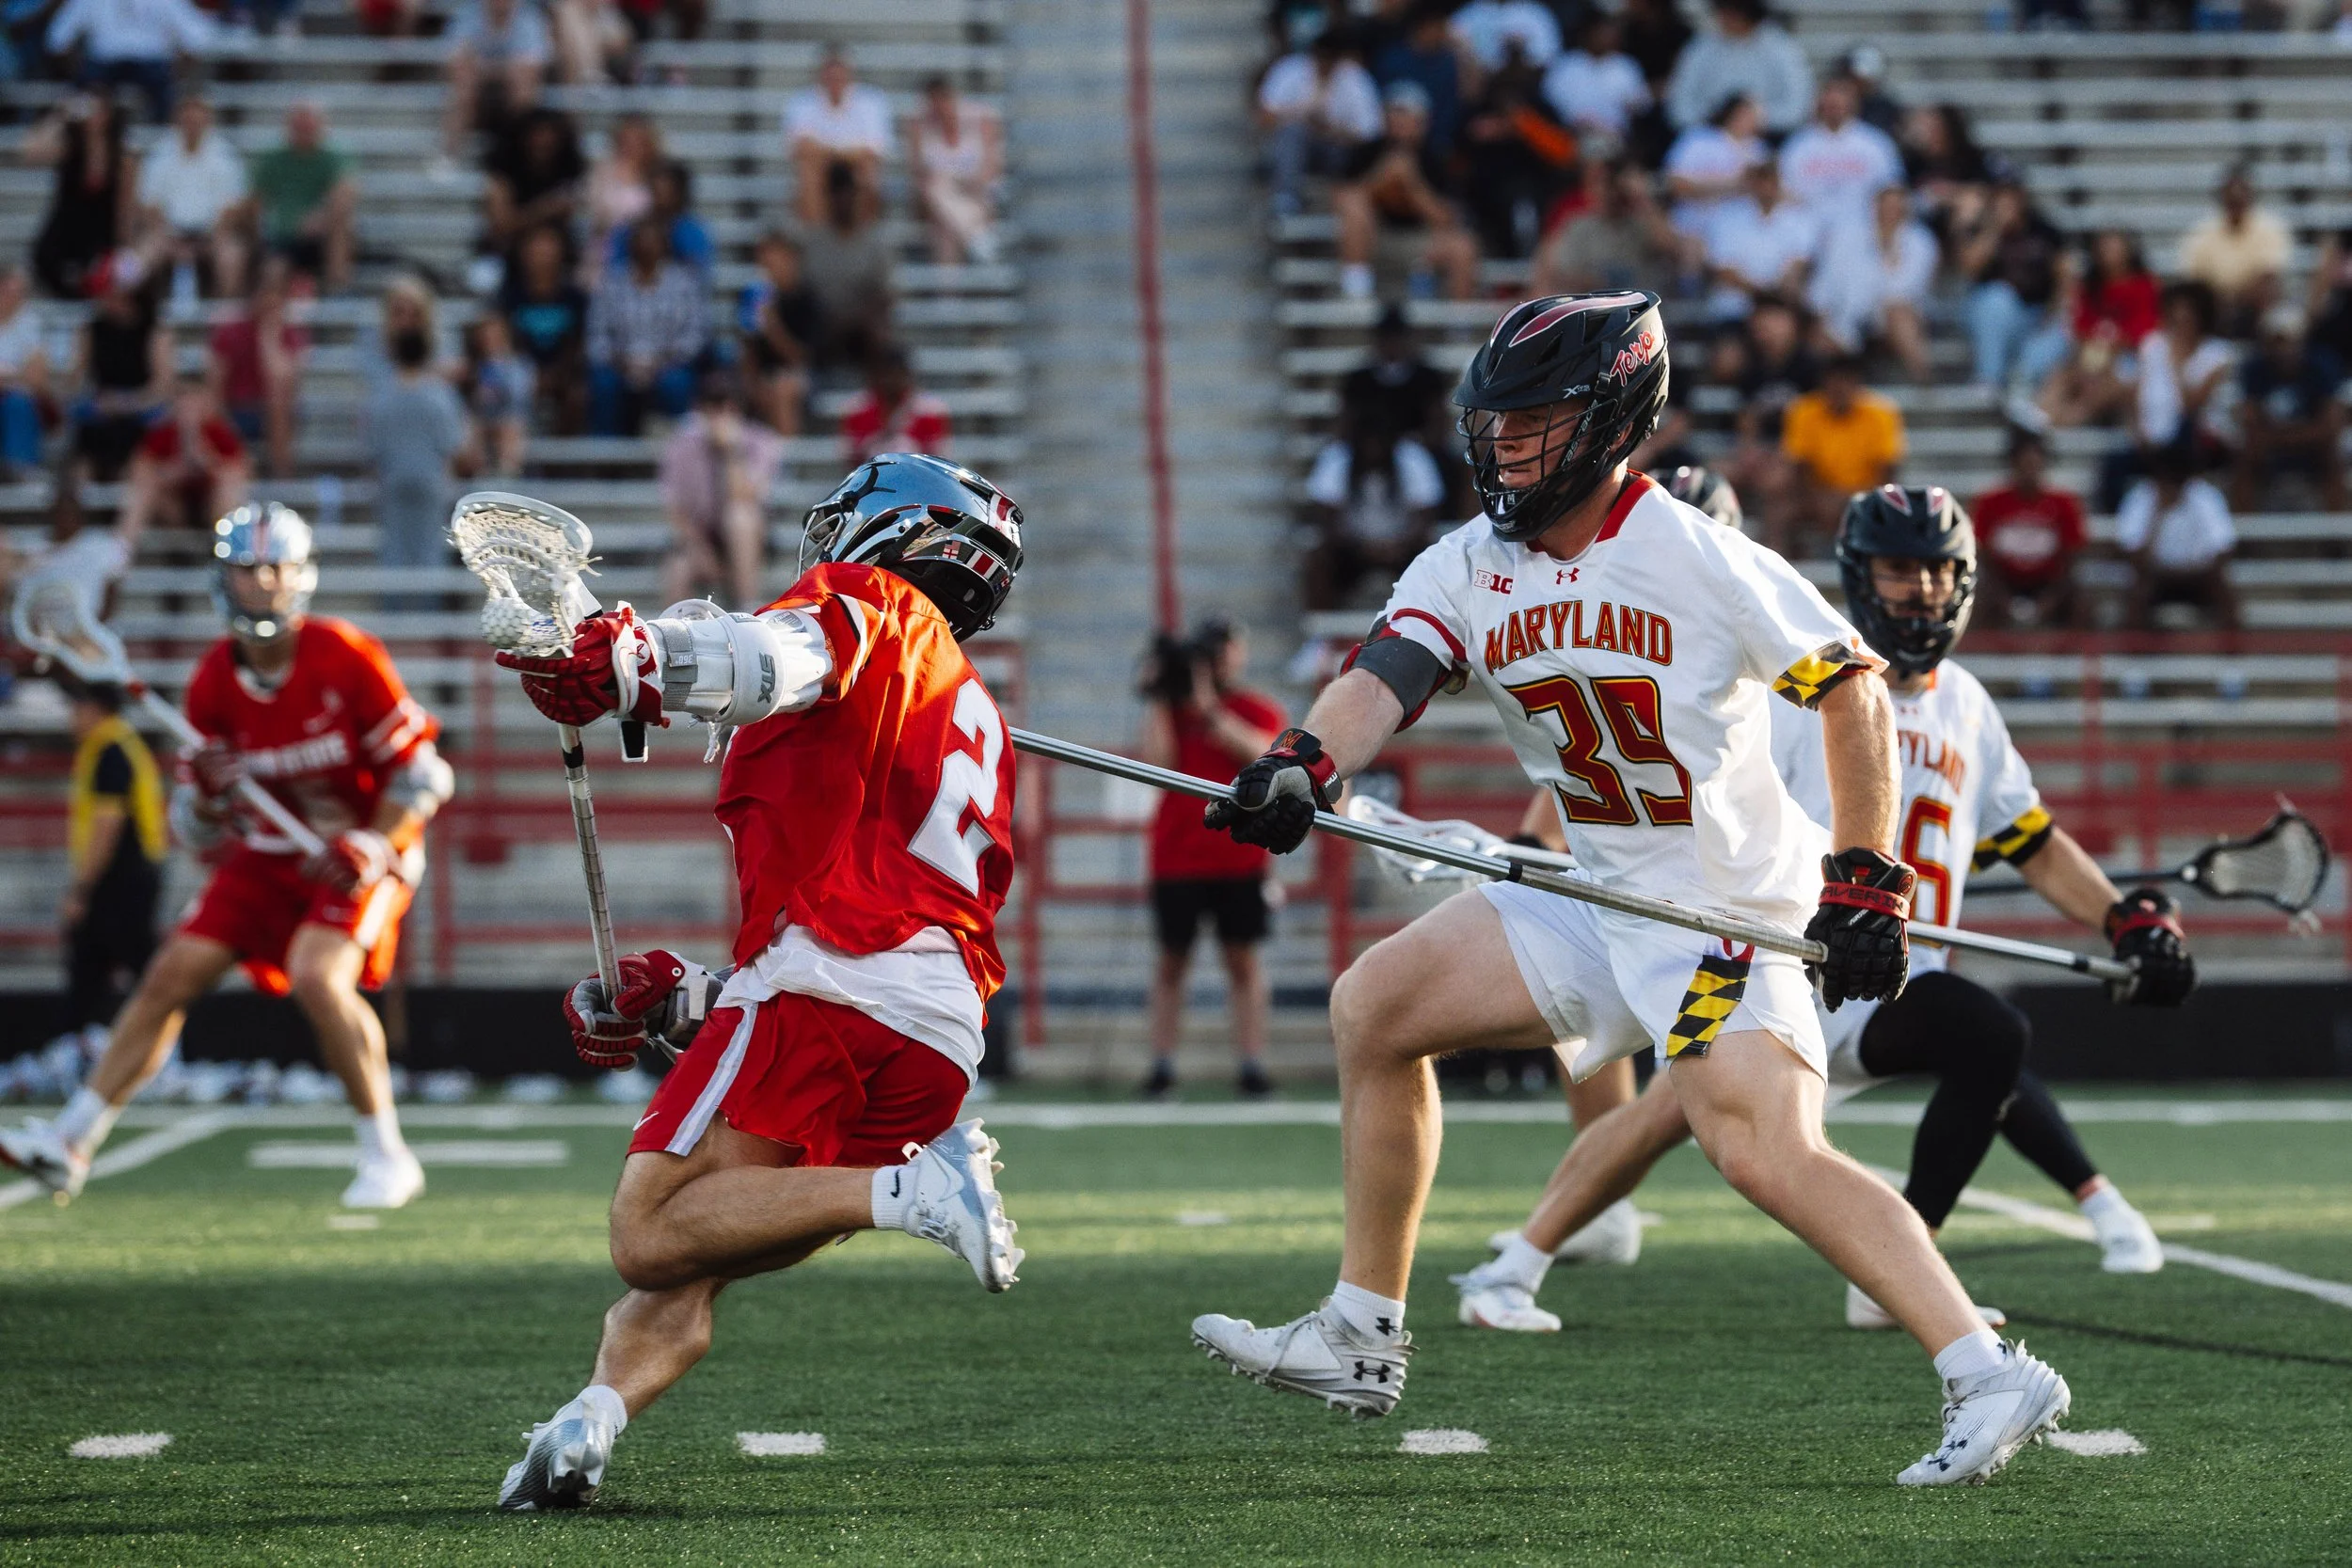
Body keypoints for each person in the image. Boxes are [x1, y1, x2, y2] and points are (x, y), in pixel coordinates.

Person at [1186, 292, 2073, 1487]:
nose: (1502, 444)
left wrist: (1865, 874)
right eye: (1492, 421)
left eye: (1533, 418)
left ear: (1610, 419)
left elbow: (1854, 687)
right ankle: (1359, 1329)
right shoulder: (1467, 562)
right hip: (1599, 890)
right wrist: (1302, 760)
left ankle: (1986, 1371)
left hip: (1721, 907)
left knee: (1762, 1149)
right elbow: (1383, 674)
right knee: (1376, 1006)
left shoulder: (1698, 555)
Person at [1454, 486, 2187, 1340]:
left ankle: (1895, 1276)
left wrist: (2119, 921)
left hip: (1889, 979)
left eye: (1942, 570)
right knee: (1665, 1111)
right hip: (1774, 955)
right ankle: (1515, 1264)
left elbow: (2033, 842)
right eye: (1901, 569)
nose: (1922, 589)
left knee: (1990, 1037)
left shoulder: (1970, 707)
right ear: (1858, 573)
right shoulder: (1799, 681)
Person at [487, 453, 1028, 1512]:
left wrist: (638, 662)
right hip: (933, 1035)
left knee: (647, 1228)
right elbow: (893, 898)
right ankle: (586, 1422)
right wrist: (688, 998)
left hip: (833, 979)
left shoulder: (869, 602)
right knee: (696, 1251)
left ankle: (917, 1191)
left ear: (890, 536)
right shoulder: (971, 711)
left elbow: (778, 651)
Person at [0, 504, 453, 1209]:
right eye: (248, 567)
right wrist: (209, 796)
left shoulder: (347, 655)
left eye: (276, 567)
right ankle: (71, 1139)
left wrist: (372, 841)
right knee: (169, 975)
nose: (263, 581)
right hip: (270, 856)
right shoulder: (211, 681)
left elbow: (424, 774)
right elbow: (200, 829)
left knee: (317, 974)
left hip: (358, 852)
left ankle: (386, 1154)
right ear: (225, 577)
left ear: (301, 576)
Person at [1136, 620, 1287, 1100]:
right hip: (1176, 858)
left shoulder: (1254, 707)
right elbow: (1153, 765)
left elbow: (1264, 756)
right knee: (1170, 963)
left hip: (1239, 858)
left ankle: (1251, 1063)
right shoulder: (1171, 714)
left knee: (1242, 961)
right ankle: (1162, 1065)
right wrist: (1161, 697)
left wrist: (1209, 710)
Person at [56, 673, 165, 1053]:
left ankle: (163, 1055)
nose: (71, 716)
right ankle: (80, 1048)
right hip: (131, 876)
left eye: (77, 707)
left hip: (121, 879)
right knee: (94, 966)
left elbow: (107, 823)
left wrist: (82, 888)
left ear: (95, 709)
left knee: (136, 969)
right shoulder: (119, 745)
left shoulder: (110, 749)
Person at [1330, 82, 1478, 301]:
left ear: (1422, 122)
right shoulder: (1367, 151)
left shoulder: (1437, 159)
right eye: (1394, 114)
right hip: (1374, 237)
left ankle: (1460, 327)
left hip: (1418, 240)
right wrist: (1383, 179)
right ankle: (1356, 294)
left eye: (1406, 116)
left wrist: (1412, 185)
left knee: (1463, 247)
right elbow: (1342, 198)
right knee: (1353, 207)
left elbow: (1445, 219)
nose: (1399, 122)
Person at [367, 315, 473, 602]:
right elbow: (452, 445)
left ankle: (396, 615)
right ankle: (425, 616)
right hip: (430, 480)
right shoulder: (439, 395)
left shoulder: (382, 395)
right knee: (428, 550)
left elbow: (373, 446)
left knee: (396, 550)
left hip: (394, 479)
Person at [659, 372, 785, 610]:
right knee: (678, 568)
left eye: (730, 406)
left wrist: (731, 451)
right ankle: (673, 634)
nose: (723, 414)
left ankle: (747, 612)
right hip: (701, 536)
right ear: (701, 409)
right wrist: (700, 548)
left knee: (739, 518)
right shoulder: (681, 445)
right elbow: (676, 511)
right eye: (715, 405)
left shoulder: (761, 441)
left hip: (750, 537)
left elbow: (744, 496)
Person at [1300, 418, 1444, 609]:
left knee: (1434, 559)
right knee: (1318, 560)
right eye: (1368, 445)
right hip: (1351, 549)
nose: (1374, 451)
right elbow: (1327, 521)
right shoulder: (1338, 457)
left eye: (1380, 444)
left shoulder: (1412, 457)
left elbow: (1426, 520)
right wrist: (1363, 548)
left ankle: (1432, 623)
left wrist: (1398, 546)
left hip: (1403, 548)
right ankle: (1323, 632)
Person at [585, 216, 707, 436]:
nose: (647, 246)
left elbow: (695, 336)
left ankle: (677, 454)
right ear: (631, 244)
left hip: (668, 365)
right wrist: (621, 363)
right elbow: (596, 336)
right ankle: (607, 459)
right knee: (603, 384)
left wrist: (660, 364)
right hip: (620, 366)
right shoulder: (611, 283)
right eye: (641, 239)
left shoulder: (684, 283)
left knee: (676, 384)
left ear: (665, 245)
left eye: (653, 240)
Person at [1808, 183, 1937, 381]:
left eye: (1896, 207)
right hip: (1847, 318)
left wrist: (1890, 251)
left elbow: (1904, 290)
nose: (1890, 212)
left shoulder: (1920, 242)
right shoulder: (1846, 238)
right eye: (1886, 206)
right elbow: (1825, 284)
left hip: (1895, 319)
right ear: (1875, 206)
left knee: (1897, 312)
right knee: (1819, 337)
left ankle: (1924, 380)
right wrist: (1822, 316)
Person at [1779, 354, 1905, 546]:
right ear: (1823, 383)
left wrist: (1854, 499)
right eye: (1834, 380)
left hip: (1867, 495)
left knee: (1894, 512)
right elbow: (1800, 467)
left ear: (1858, 383)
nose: (1840, 388)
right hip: (1816, 494)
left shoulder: (1882, 413)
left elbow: (1887, 471)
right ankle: (1787, 569)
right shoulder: (1803, 411)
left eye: (1847, 380)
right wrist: (1820, 498)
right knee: (1780, 511)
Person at [2038, 230, 2158, 431]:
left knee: (2110, 382)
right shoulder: (2091, 288)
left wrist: (2112, 347)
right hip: (2091, 354)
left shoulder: (2144, 286)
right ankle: (2041, 415)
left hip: (2128, 357)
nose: (2108, 253)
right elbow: (2080, 325)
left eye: (2114, 247)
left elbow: (2145, 327)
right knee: (2062, 374)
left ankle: (2064, 422)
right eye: (2104, 248)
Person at [134, 92, 249, 300]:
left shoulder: (225, 156)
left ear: (208, 121)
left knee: (231, 257)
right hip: (167, 234)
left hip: (213, 235)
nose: (192, 125)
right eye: (187, 119)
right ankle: (147, 315)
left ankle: (223, 319)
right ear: (177, 121)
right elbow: (150, 206)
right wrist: (169, 241)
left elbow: (232, 209)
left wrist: (210, 242)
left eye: (197, 120)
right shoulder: (159, 155)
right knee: (140, 259)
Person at [2232, 305, 2346, 513]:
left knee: (2332, 456)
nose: (2284, 349)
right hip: (2272, 444)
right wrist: (2278, 438)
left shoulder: (2322, 366)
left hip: (2310, 445)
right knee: (2245, 456)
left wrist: (2289, 437)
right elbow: (2249, 419)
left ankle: (2336, 537)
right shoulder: (2254, 369)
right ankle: (2243, 535)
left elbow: (2330, 424)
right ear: (2266, 343)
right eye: (2278, 342)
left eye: (2290, 341)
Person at [1957, 180, 2068, 392]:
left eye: (2011, 202)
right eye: (2000, 202)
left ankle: (2023, 385)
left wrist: (2053, 312)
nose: (2006, 208)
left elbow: (2064, 276)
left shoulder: (2044, 230)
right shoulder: (1978, 229)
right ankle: (1988, 377)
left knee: (2061, 331)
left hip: (2036, 312)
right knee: (1998, 299)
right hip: (1987, 312)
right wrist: (1994, 231)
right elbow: (1970, 267)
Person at [1257, 30, 1382, 217]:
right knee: (1292, 132)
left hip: (1337, 151)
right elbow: (1264, 118)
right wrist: (1301, 113)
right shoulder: (1290, 70)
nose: (1324, 65)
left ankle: (1340, 203)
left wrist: (1332, 130)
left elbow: (1371, 132)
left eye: (1330, 61)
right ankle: (1286, 199)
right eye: (1321, 58)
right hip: (1296, 147)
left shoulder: (1355, 78)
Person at [27, 92, 139, 300]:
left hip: (100, 228)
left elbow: (125, 205)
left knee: (104, 273)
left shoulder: (122, 156)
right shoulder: (69, 147)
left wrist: (124, 244)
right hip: (66, 225)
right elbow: (30, 153)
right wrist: (60, 115)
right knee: (46, 260)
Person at [119, 370, 251, 543]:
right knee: (144, 491)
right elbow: (137, 473)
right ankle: (121, 552)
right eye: (184, 400)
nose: (189, 407)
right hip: (174, 508)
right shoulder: (161, 434)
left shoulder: (220, 433)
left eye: (195, 400)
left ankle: (232, 549)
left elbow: (240, 474)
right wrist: (176, 471)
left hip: (210, 506)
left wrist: (205, 461)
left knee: (228, 490)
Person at [1972, 428, 2086, 628]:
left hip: (2049, 582)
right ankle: (1981, 654)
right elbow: (1982, 555)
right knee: (1974, 596)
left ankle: (2074, 654)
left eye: (2034, 465)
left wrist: (2049, 601)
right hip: (2003, 582)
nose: (2029, 472)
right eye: (2024, 465)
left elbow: (2072, 556)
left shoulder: (2064, 502)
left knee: (2080, 599)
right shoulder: (1990, 501)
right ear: (2013, 465)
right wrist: (2003, 599)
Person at [2117, 445, 2238, 632]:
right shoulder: (2141, 497)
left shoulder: (2204, 496)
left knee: (2224, 591)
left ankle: (2232, 655)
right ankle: (2133, 657)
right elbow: (2134, 555)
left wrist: (2198, 569)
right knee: (2137, 592)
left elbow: (2224, 548)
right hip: (2156, 577)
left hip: (2198, 575)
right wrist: (2157, 515)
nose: (2172, 484)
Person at [69, 255, 167, 483]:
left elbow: (163, 386)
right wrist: (96, 401)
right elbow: (75, 380)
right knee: (87, 444)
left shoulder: (155, 331)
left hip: (141, 410)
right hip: (101, 410)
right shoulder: (91, 330)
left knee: (136, 442)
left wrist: (127, 403)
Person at [207, 258, 308, 479]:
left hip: (277, 411)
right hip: (236, 410)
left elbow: (284, 383)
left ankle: (282, 477)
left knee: (278, 406)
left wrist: (268, 338)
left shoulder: (288, 333)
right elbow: (215, 388)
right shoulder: (229, 331)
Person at [246, 102, 358, 294]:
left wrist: (323, 216)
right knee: (274, 268)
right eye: (299, 127)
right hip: (284, 236)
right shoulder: (273, 157)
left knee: (341, 226)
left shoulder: (334, 155)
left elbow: (348, 191)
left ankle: (338, 291)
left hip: (323, 235)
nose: (304, 132)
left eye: (309, 127)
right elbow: (255, 200)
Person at [792, 161, 894, 370]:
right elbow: (801, 289)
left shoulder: (873, 242)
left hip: (860, 326)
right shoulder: (813, 242)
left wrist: (855, 318)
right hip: (823, 325)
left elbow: (885, 293)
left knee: (876, 329)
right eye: (836, 193)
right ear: (828, 197)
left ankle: (877, 385)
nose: (842, 200)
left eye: (847, 192)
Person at [1529, 157, 1682, 296]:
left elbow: (1671, 248)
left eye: (1609, 183)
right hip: (1592, 315)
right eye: (1596, 182)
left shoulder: (1642, 223)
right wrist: (1598, 280)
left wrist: (1641, 197)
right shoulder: (1578, 226)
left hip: (1639, 317)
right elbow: (1557, 275)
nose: (1603, 191)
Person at [43, 0, 213, 122]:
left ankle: (161, 136)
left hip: (150, 63)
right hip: (104, 63)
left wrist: (176, 73)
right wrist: (77, 69)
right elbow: (58, 39)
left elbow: (198, 39)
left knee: (165, 92)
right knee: (85, 92)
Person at [1663, 0, 1811, 137]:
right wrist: (1713, 120)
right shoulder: (1702, 47)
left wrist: (1755, 118)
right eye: (1723, 11)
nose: (1726, 18)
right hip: (1708, 135)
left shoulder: (1781, 48)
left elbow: (1797, 106)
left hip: (1766, 137)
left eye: (1733, 12)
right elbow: (1679, 103)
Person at [783, 45, 894, 228]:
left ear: (850, 75)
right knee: (807, 174)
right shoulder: (802, 102)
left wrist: (829, 151)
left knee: (868, 174)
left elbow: (874, 152)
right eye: (830, 76)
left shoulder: (871, 101)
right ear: (821, 76)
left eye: (840, 76)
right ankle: (818, 240)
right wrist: (844, 152)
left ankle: (859, 241)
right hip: (823, 171)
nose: (835, 81)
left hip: (853, 170)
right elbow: (800, 148)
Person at [1777, 77, 1902, 231]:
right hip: (1808, 229)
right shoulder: (1798, 145)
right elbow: (1784, 191)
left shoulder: (1875, 143)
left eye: (1838, 104)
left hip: (1863, 229)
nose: (1834, 109)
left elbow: (1891, 188)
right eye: (1830, 104)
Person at [499, 223, 590, 433]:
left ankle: (563, 459)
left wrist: (557, 374)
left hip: (565, 373)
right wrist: (531, 374)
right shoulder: (510, 298)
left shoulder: (575, 298)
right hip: (521, 371)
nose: (542, 256)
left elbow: (580, 341)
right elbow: (507, 340)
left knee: (578, 396)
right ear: (523, 255)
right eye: (536, 250)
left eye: (548, 249)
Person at [1701, 158, 1819, 321]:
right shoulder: (1727, 217)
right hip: (1736, 308)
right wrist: (1762, 293)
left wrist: (1776, 294)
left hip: (1781, 307)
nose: (1766, 187)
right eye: (1761, 180)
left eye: (1770, 180)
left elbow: (1800, 263)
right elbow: (1723, 270)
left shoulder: (1798, 218)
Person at [2179, 166, 2289, 337]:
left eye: (2240, 199)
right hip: (2215, 308)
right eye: (2231, 200)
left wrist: (2234, 300)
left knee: (2269, 291)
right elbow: (2195, 283)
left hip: (2254, 306)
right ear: (2222, 198)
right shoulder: (2201, 234)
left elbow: (2267, 276)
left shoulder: (2269, 229)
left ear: (2250, 197)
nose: (2236, 204)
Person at [442, 0, 552, 161]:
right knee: (463, 86)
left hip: (510, 86)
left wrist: (485, 67)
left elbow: (533, 67)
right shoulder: (468, 15)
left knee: (524, 87)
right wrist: (504, 68)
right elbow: (455, 62)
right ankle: (449, 154)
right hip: (477, 87)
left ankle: (519, 154)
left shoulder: (529, 18)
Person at [738, 230, 821, 436]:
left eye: (774, 261)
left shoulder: (806, 299)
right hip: (764, 374)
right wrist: (751, 383)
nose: (769, 268)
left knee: (782, 389)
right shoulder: (754, 297)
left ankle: (785, 461)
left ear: (790, 260)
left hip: (803, 375)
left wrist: (772, 325)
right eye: (764, 262)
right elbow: (748, 347)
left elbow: (801, 358)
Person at [482, 105, 584, 268]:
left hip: (559, 255)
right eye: (538, 134)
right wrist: (546, 209)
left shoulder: (569, 172)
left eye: (550, 134)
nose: (544, 141)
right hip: (505, 256)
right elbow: (501, 224)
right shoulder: (504, 173)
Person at [1661, 92, 1764, 249]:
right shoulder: (1699, 139)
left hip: (1740, 232)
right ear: (1733, 113)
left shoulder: (1758, 150)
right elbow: (1675, 184)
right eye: (1749, 114)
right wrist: (1733, 185)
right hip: (1694, 225)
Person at [1541, 11, 1651, 144]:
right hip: (1569, 136)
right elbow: (1549, 101)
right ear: (1589, 33)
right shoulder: (1567, 64)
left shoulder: (1626, 66)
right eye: (1602, 32)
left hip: (1615, 139)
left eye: (1612, 33)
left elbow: (1641, 105)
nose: (1607, 37)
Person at [838, 342, 951, 462]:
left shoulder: (929, 410)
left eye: (895, 374)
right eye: (885, 374)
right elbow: (850, 456)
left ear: (906, 374)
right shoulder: (857, 408)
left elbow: (938, 458)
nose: (890, 380)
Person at [583, 113, 660, 283]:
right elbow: (595, 213)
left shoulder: (657, 174)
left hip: (643, 254)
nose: (631, 146)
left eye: (637, 141)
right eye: (626, 140)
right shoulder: (601, 172)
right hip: (605, 252)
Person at [460, 312, 532, 476]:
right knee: (471, 427)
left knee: (510, 427)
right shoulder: (471, 367)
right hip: (481, 418)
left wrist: (498, 388)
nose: (489, 340)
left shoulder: (519, 364)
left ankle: (506, 477)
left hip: (510, 416)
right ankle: (480, 476)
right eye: (485, 336)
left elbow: (520, 395)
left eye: (494, 335)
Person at [0, 267, 54, 473]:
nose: (13, 297)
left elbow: (37, 378)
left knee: (18, 404)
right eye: (7, 291)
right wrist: (16, 374)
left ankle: (20, 469)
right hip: (14, 388)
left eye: (18, 293)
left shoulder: (30, 323)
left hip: (18, 396)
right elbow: (26, 374)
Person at [1450, 0, 1559, 71]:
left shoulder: (1533, 12)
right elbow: (1450, 33)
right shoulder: (1474, 11)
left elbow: (1548, 57)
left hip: (1526, 81)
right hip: (1481, 77)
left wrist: (1520, 48)